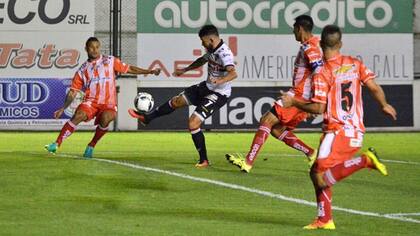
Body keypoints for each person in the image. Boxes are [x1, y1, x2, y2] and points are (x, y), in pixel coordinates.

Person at [281, 25, 397, 230]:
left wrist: (293, 102)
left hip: (338, 130)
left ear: (321, 44)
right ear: (340, 44)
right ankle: (325, 219)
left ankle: (365, 161)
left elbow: (318, 107)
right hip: (353, 130)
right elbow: (374, 87)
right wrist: (384, 105)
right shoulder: (354, 64)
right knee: (316, 171)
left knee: (320, 176)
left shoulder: (323, 72)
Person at [128, 25, 237, 168]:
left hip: (218, 93)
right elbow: (202, 60)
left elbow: (233, 73)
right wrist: (185, 70)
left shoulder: (225, 53)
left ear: (211, 39)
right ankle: (147, 118)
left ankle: (204, 160)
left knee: (193, 123)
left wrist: (220, 81)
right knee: (176, 101)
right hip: (206, 87)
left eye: (203, 41)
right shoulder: (212, 50)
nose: (202, 44)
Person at [225, 15, 322, 173]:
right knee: (277, 129)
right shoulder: (313, 45)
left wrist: (316, 99)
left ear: (300, 29)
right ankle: (311, 153)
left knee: (266, 120)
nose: (293, 32)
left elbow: (319, 71)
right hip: (301, 95)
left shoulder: (310, 47)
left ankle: (248, 162)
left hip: (298, 96)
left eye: (294, 29)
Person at [45, 37, 161, 158]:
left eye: (97, 47)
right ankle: (56, 144)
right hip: (91, 102)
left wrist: (149, 71)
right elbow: (72, 92)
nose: (95, 50)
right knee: (78, 115)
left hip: (108, 103)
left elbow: (129, 69)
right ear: (86, 49)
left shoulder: (110, 61)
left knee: (107, 117)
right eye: (91, 47)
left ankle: (91, 145)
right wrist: (63, 108)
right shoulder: (82, 70)